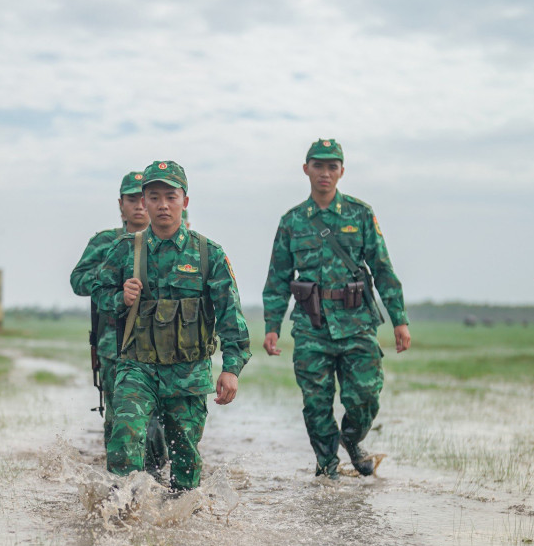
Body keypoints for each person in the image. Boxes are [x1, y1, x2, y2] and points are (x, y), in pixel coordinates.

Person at [93, 161, 250, 492]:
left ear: (185, 201)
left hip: (188, 373)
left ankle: (180, 526)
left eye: (170, 196)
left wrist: (231, 368)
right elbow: (98, 292)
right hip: (137, 366)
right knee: (124, 438)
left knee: (185, 461)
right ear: (145, 202)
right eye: (153, 197)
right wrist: (120, 298)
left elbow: (230, 316)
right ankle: (127, 515)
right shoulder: (125, 250)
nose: (162, 205)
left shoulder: (208, 254)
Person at [262, 138, 411, 479]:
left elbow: (383, 269)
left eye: (332, 166)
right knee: (316, 402)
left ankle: (352, 439)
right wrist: (273, 325)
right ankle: (327, 466)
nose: (325, 173)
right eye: (318, 166)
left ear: (342, 171)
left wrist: (399, 320)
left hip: (357, 322)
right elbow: (278, 277)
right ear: (306, 170)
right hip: (311, 324)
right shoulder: (292, 221)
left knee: (365, 395)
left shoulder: (360, 214)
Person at [70, 172, 168, 472]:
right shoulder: (105, 243)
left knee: (158, 419)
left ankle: (152, 477)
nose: (139, 206)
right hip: (114, 345)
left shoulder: (167, 239)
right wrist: (113, 277)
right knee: (118, 418)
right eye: (131, 199)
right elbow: (79, 281)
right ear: (120, 205)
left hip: (159, 343)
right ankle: (123, 483)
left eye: (143, 198)